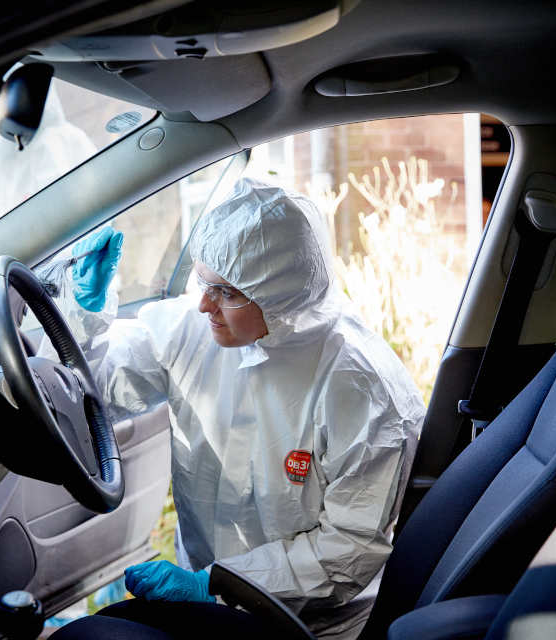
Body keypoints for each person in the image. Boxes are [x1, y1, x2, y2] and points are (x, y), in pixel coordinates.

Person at [42, 177, 425, 639]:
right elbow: (92, 393)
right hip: (205, 601)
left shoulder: (361, 389)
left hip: (303, 623)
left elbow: (348, 548)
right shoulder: (192, 329)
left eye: (226, 292)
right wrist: (80, 314)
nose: (205, 304)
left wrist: (216, 584)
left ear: (281, 293)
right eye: (204, 281)